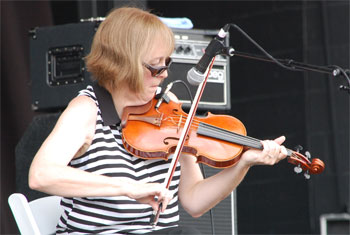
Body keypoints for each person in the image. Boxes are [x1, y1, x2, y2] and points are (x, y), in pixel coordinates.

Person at [28, 7, 288, 235]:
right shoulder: (86, 110)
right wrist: (127, 188)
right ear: (122, 64)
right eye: (155, 67)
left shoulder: (166, 103)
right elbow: (41, 175)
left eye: (167, 63)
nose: (164, 75)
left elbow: (194, 201)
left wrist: (242, 165)